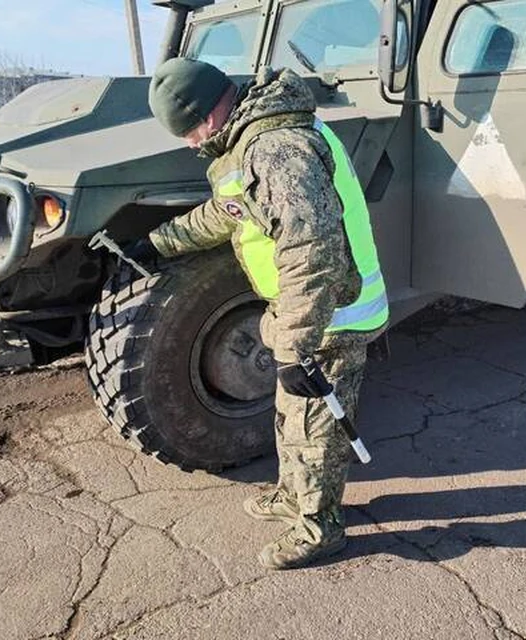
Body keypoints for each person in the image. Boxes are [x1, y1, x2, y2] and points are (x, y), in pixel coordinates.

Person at [140, 57, 388, 569]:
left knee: (316, 425)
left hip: (332, 312)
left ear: (208, 115)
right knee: (287, 415)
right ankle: (291, 495)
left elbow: (313, 250)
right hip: (299, 312)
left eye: (187, 131)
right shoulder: (249, 140)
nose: (189, 144)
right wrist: (160, 242)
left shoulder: (276, 149)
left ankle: (320, 528)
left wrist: (296, 345)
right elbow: (231, 209)